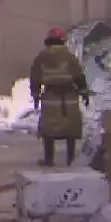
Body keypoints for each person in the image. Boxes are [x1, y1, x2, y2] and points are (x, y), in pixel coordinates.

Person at [30, 28, 89, 167]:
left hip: (50, 98)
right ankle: (70, 159)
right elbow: (79, 77)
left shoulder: (41, 57)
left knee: (49, 130)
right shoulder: (69, 56)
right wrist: (84, 93)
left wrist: (35, 96)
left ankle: (49, 159)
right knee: (70, 129)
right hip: (68, 98)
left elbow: (35, 79)